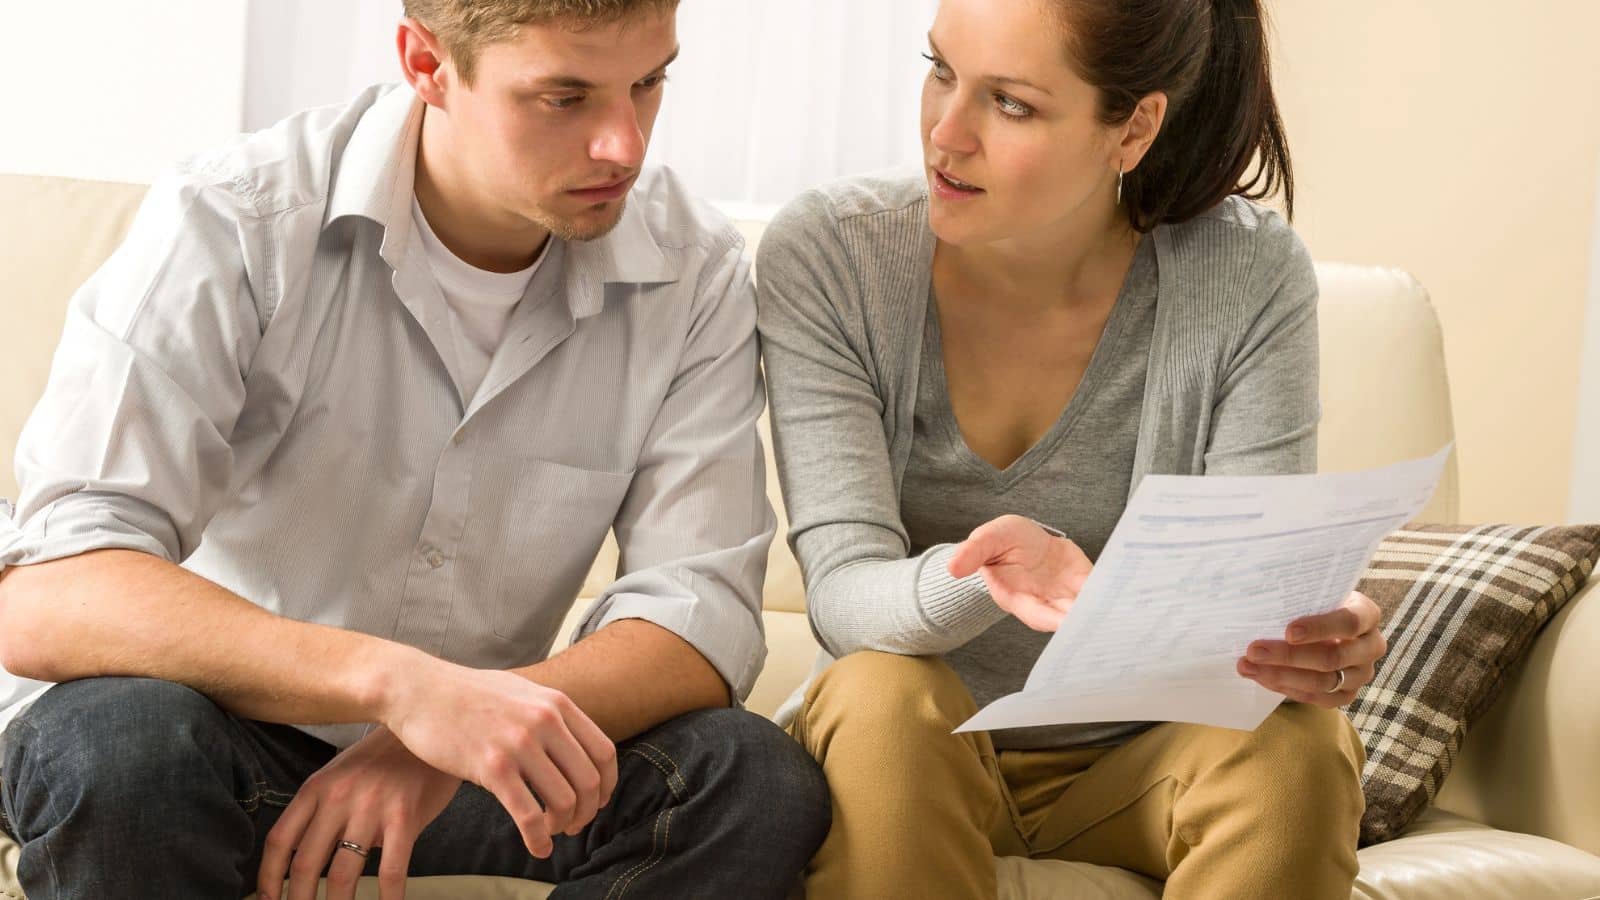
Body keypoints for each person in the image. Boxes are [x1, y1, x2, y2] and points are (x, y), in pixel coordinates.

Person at [0, 2, 829, 898]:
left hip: (469, 773)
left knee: (749, 778)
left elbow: (695, 621)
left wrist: (445, 740)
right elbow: (55, 591)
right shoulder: (236, 217)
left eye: (649, 83)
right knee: (120, 740)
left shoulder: (692, 270)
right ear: (427, 64)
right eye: (565, 97)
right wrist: (403, 690)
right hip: (203, 741)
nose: (623, 144)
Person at [755, 0, 1383, 897]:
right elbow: (844, 596)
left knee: (1297, 744)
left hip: (1139, 764)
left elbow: (1239, 587)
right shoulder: (833, 254)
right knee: (882, 694)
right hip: (911, 749)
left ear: (1134, 127)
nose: (945, 131)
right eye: (939, 71)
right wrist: (982, 574)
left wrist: (1299, 628)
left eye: (1009, 103)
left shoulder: (1249, 274)